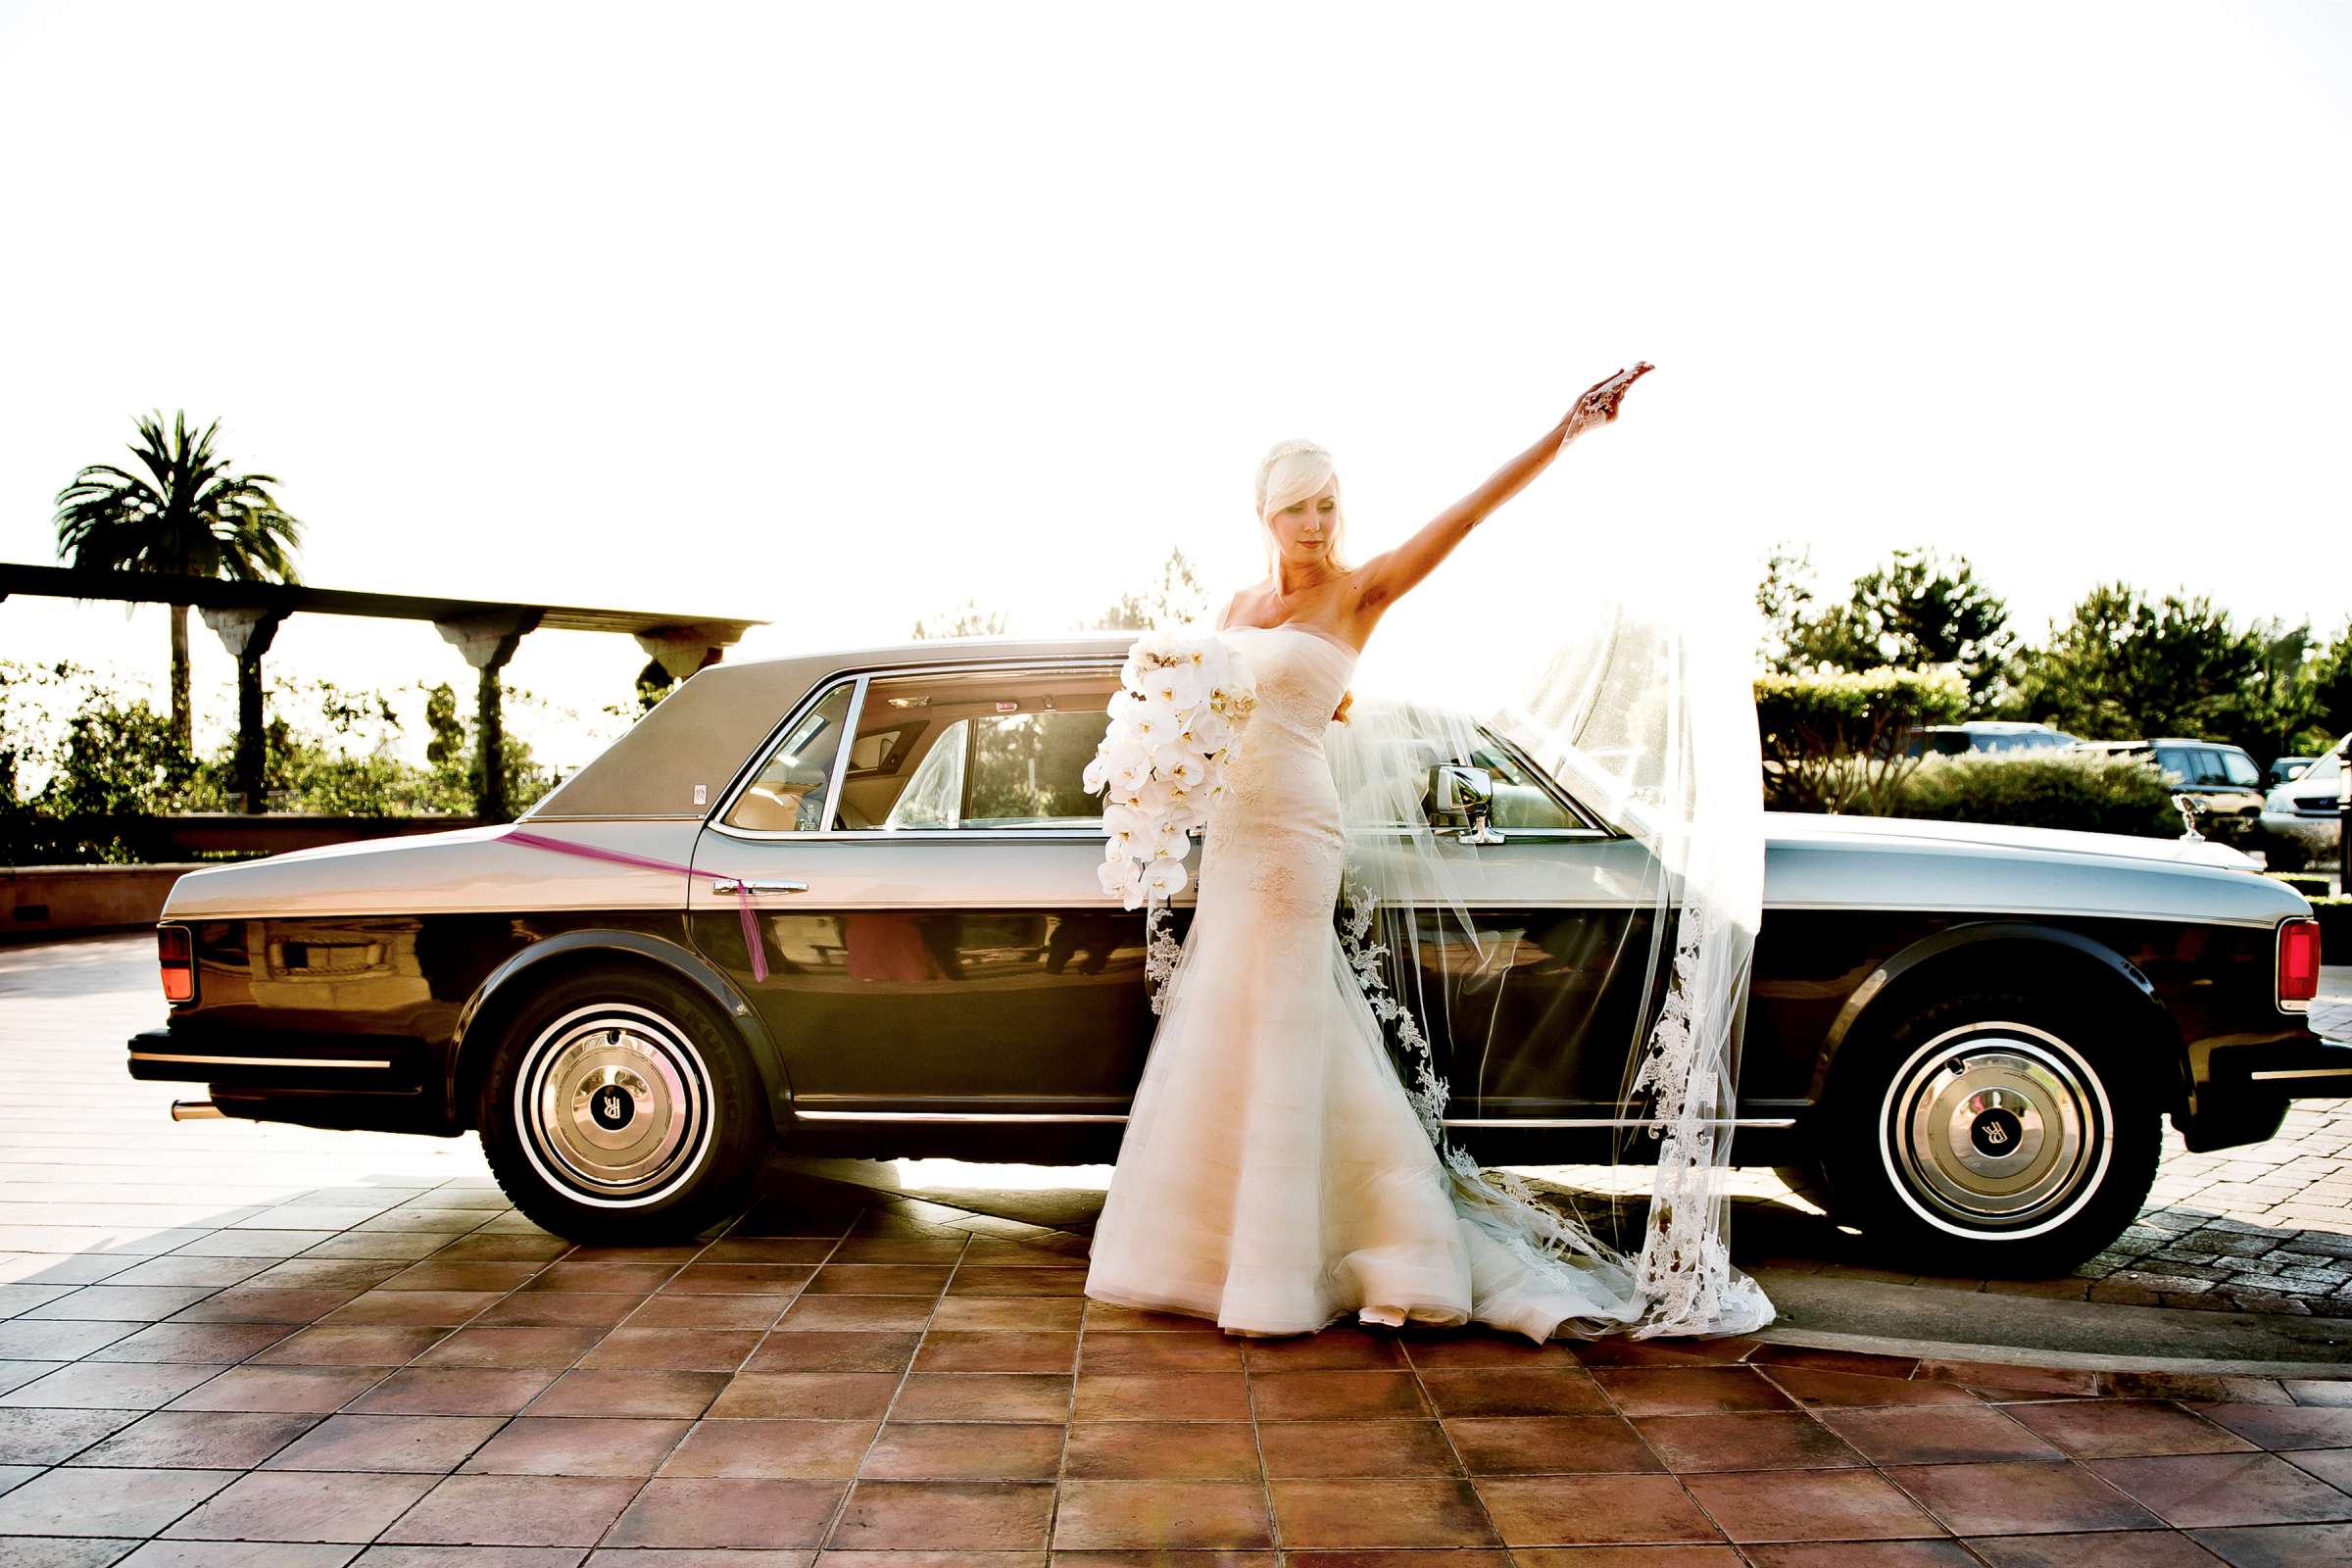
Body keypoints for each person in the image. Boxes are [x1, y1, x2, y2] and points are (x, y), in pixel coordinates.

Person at [1081, 367, 1690, 1342]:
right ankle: (1213, 1250)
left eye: (1327, 505)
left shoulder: (1362, 592)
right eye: (1297, 510)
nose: (1316, 525)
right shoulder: (1234, 609)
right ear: (1265, 516)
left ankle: (1326, 1259)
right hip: (1234, 834)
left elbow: (1469, 517)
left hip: (1297, 829)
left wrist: (1563, 432)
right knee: (1229, 1019)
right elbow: (1200, 720)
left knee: (1286, 1014)